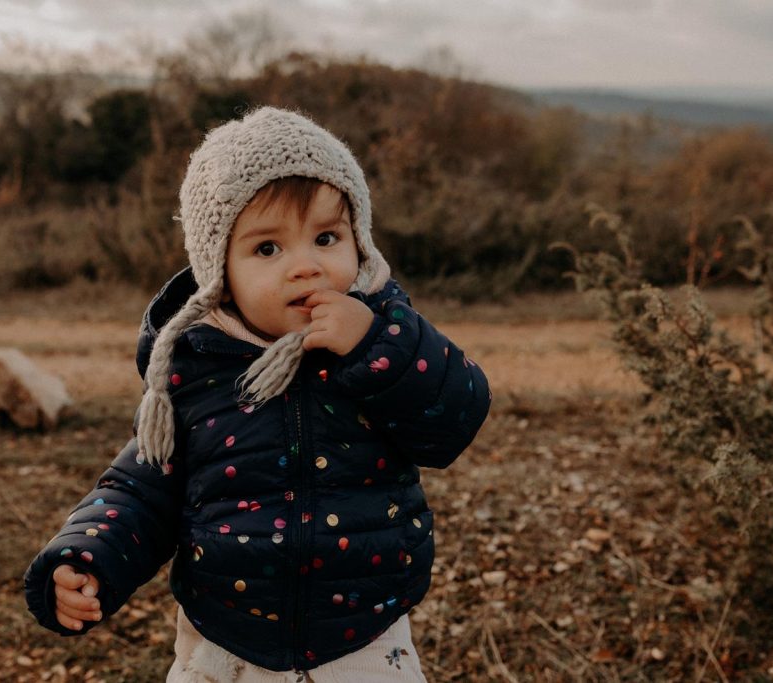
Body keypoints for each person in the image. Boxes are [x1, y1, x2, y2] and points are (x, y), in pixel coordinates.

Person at [24, 107, 491, 682]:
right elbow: (142, 489)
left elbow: (454, 421)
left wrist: (376, 346)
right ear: (218, 273)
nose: (306, 267)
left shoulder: (385, 332)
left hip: (366, 632)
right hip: (226, 639)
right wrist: (86, 555)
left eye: (326, 238)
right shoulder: (197, 370)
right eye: (267, 249)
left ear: (359, 242)